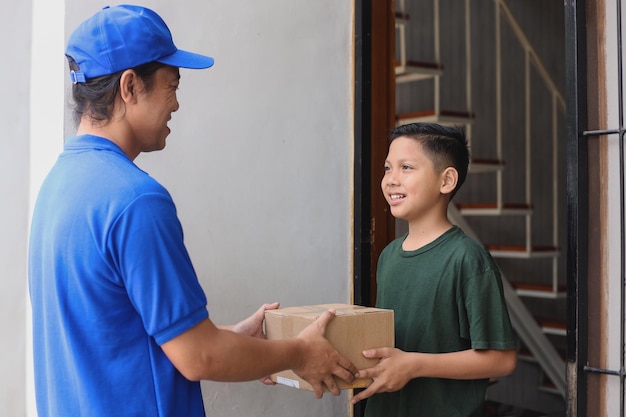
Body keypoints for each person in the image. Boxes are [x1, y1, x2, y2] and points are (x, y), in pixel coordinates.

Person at [28, 5, 356, 417]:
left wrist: (238, 340)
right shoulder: (136, 201)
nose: (177, 104)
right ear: (129, 87)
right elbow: (198, 356)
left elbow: (126, 335)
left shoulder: (58, 186)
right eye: (172, 85)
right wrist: (300, 352)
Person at [351, 123, 518, 416]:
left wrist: (414, 365)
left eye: (406, 167)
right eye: (387, 168)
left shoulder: (468, 259)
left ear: (446, 180)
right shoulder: (389, 255)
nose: (391, 179)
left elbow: (501, 360)